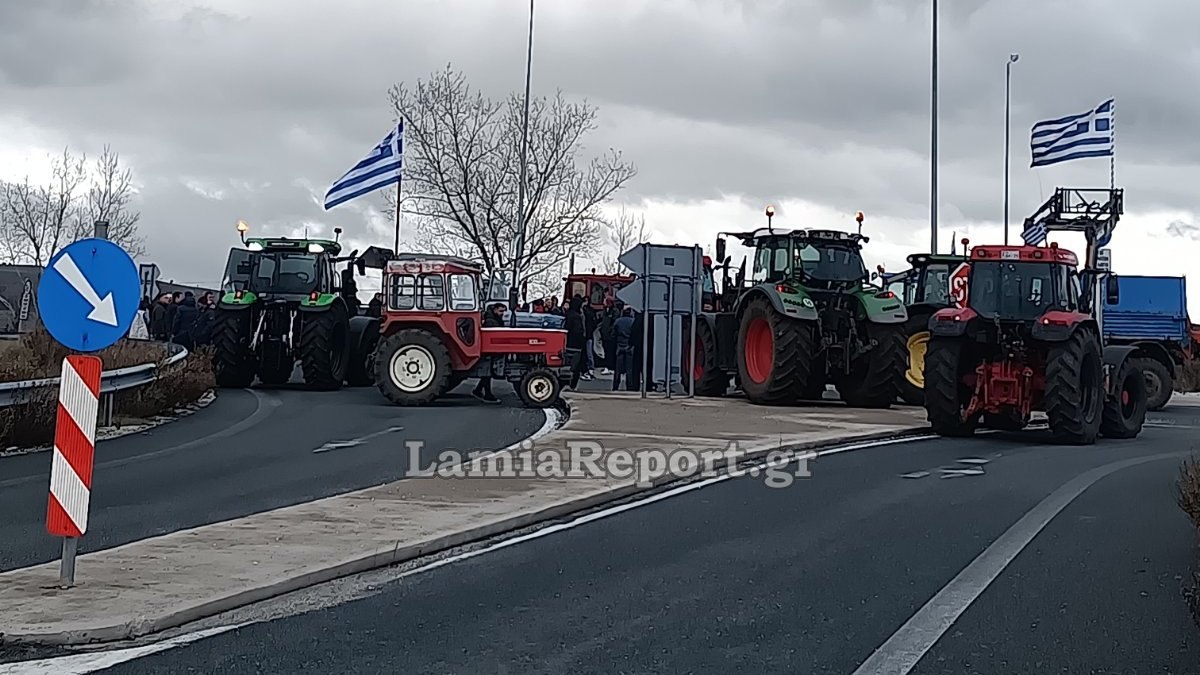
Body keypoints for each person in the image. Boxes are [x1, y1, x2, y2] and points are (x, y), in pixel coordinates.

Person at [472, 303, 506, 403]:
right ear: (495, 310)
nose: (502, 314)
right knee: (487, 373)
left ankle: (479, 391)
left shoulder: (490, 319)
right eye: (501, 311)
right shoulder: (491, 321)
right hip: (488, 351)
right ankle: (486, 393)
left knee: (487, 373)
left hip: (487, 351)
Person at [565, 296, 589, 389]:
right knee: (576, 367)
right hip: (576, 345)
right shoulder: (577, 317)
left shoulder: (567, 314)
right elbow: (578, 331)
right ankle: (572, 385)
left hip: (567, 343)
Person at [612, 305, 636, 391]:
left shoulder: (618, 321)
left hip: (619, 346)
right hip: (629, 347)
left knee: (618, 369)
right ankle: (629, 387)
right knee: (629, 369)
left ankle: (615, 386)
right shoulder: (633, 322)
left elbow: (613, 334)